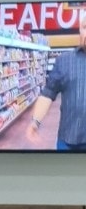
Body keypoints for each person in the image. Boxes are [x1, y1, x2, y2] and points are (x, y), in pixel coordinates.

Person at [27, 9, 86, 151]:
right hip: (69, 142)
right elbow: (48, 93)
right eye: (85, 27)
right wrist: (35, 122)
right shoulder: (65, 61)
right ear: (80, 30)